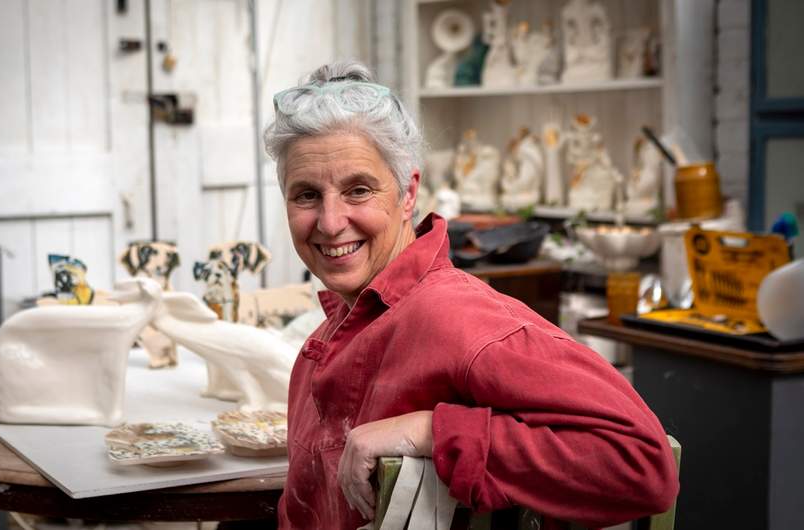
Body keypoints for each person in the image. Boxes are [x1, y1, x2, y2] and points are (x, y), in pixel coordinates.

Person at [263, 61, 678, 530]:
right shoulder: (337, 327)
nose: (330, 221)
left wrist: (430, 431)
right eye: (305, 196)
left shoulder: (453, 317)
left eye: (358, 190)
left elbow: (641, 464)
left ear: (407, 194)